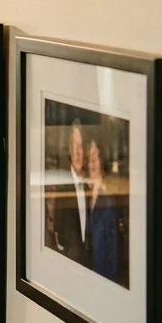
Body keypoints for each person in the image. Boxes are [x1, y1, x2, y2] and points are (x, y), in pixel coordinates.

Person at [51, 120, 90, 263]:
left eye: (81, 146)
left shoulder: (89, 184)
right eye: (75, 146)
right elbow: (58, 235)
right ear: (69, 148)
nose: (79, 152)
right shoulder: (62, 187)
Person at [85, 138, 120, 282]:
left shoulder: (107, 199)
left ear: (102, 161)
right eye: (89, 157)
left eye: (96, 156)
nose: (92, 162)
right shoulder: (85, 192)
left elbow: (110, 253)